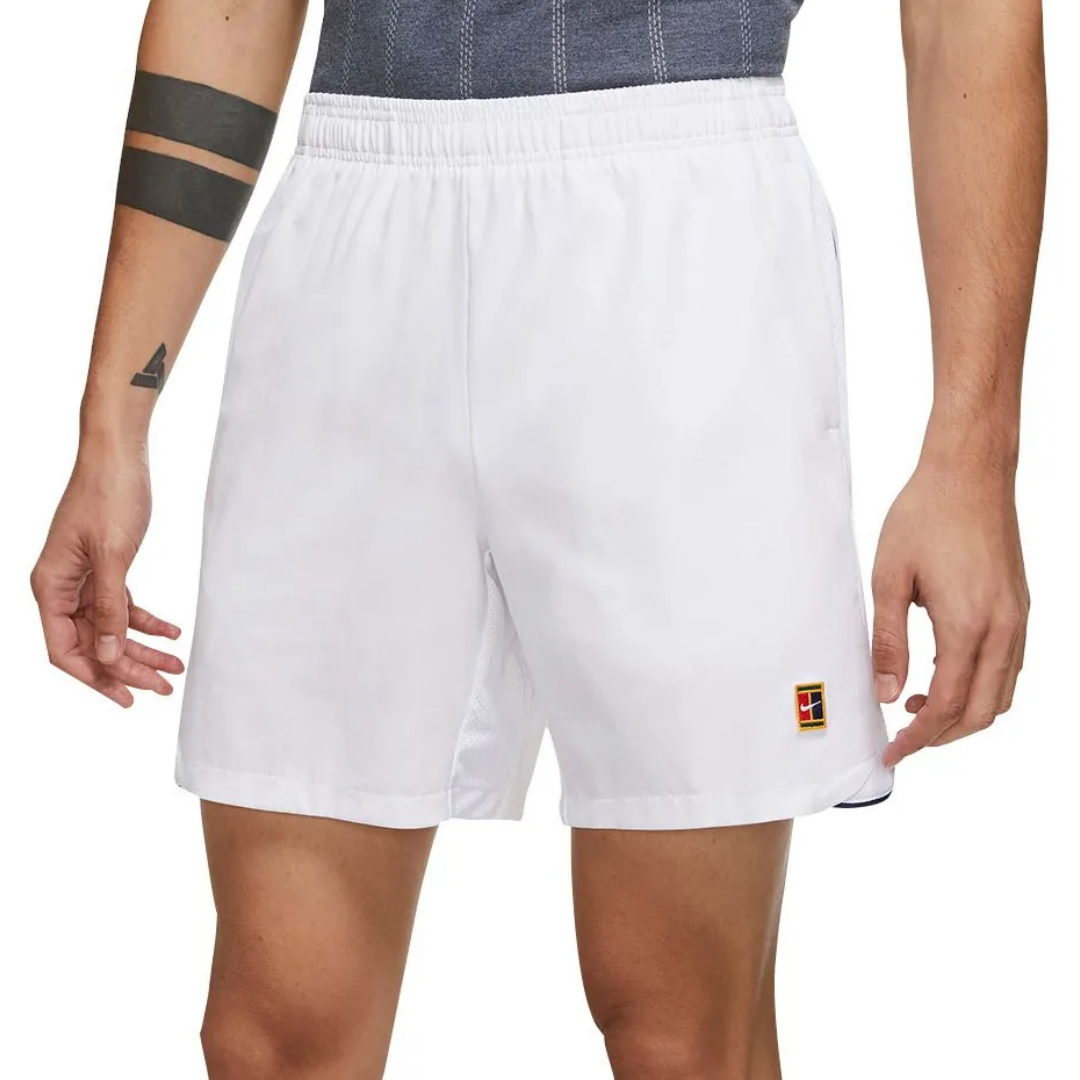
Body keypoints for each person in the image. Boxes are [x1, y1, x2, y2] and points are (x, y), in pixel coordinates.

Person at [30, 1, 1043, 1077]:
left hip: (679, 222)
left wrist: (973, 458)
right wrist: (113, 429)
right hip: (352, 235)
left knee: (677, 1032)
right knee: (272, 1036)